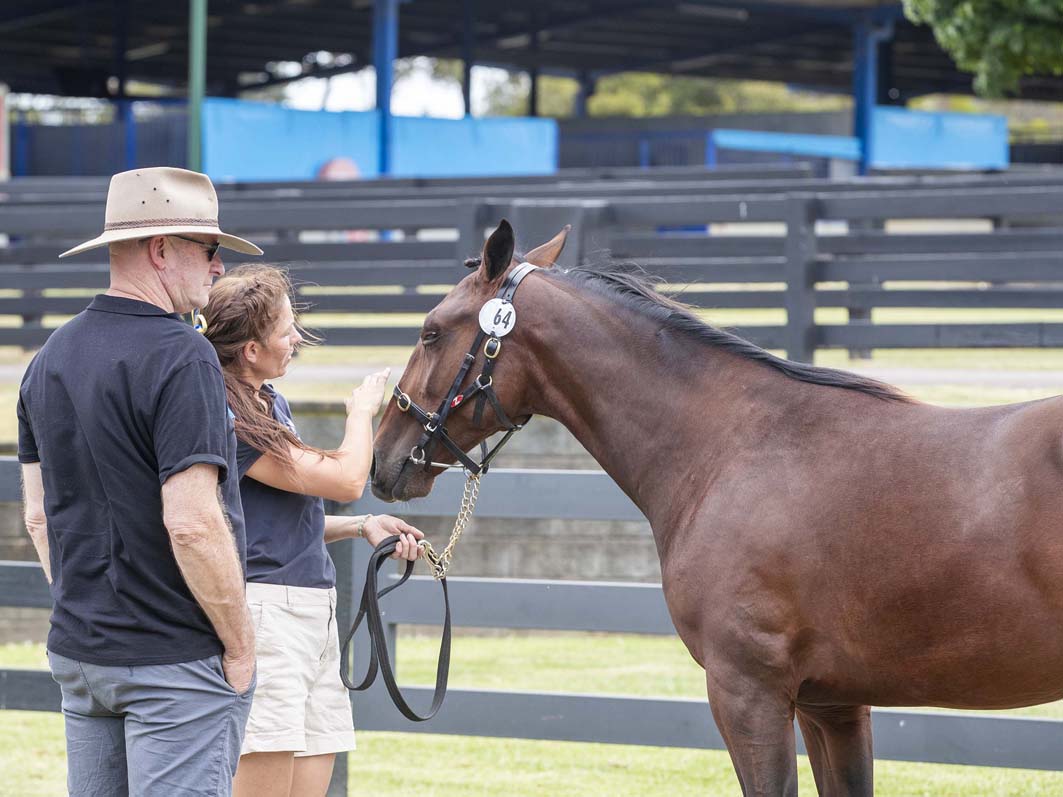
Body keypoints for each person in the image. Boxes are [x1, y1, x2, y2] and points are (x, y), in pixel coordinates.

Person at [17, 167, 263, 797]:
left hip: (81, 652)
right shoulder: (184, 355)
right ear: (162, 250)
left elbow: (38, 518)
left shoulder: (49, 357)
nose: (216, 268)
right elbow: (192, 522)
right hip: (173, 662)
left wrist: (88, 609)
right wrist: (239, 647)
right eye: (209, 251)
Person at [201, 264, 424, 797]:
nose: (296, 337)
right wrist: (362, 413)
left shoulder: (269, 403)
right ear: (251, 350)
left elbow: (273, 521)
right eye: (285, 329)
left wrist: (363, 525)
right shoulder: (227, 417)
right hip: (265, 614)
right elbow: (348, 478)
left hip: (310, 609)